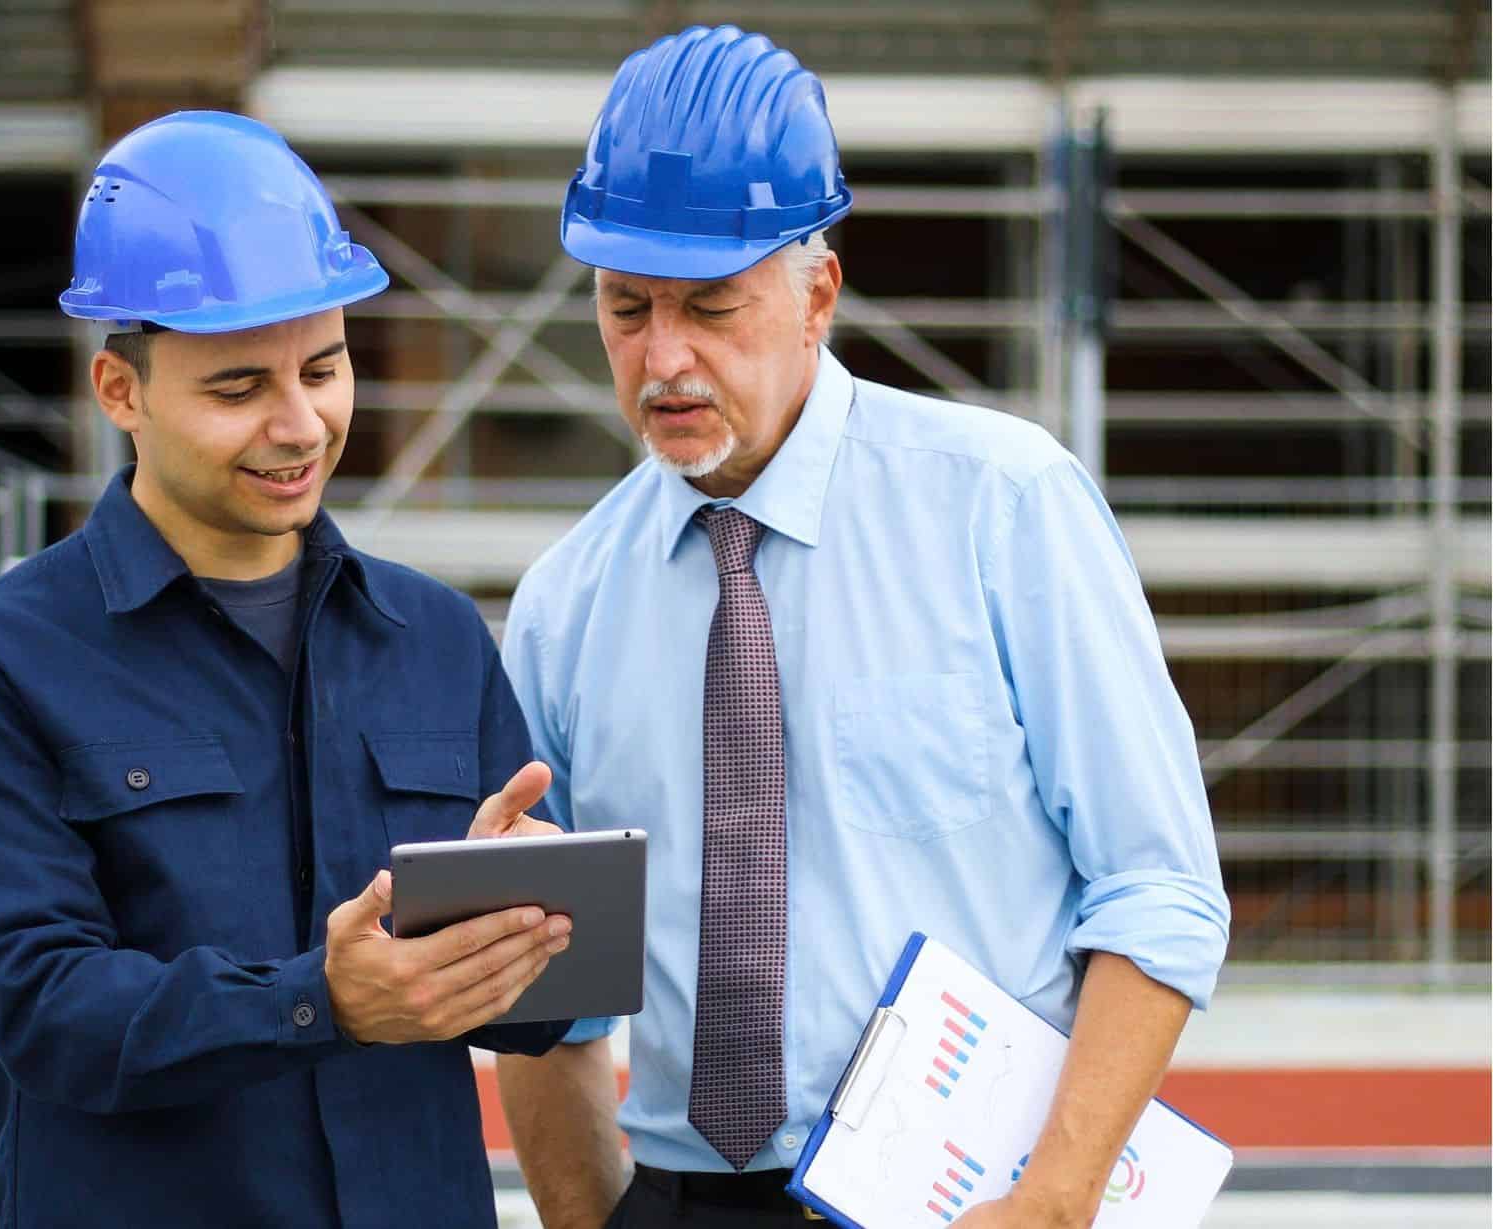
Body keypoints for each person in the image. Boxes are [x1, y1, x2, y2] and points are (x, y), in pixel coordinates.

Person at [495, 26, 1230, 1229]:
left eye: (710, 309)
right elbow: (552, 991)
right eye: (625, 309)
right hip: (684, 1194)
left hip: (971, 1198)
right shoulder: (564, 602)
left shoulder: (1002, 507)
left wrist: (1054, 1198)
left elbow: (1157, 888)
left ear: (814, 297)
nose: (661, 359)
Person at [0, 110, 573, 1229]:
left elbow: (531, 1018)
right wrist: (319, 999)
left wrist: (537, 933)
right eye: (236, 388)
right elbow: (43, 1006)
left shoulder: (435, 637)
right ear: (120, 391)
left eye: (323, 367)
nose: (299, 422)